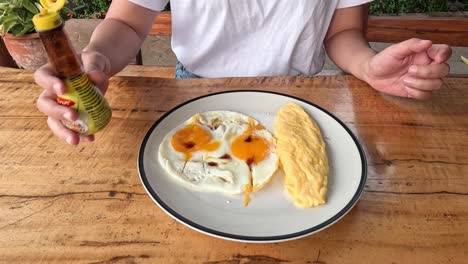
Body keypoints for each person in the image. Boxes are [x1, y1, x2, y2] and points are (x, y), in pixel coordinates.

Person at [34, 0, 452, 145]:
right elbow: (126, 23)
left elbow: (342, 31)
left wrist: (368, 66)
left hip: (304, 98)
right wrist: (96, 60)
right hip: (195, 93)